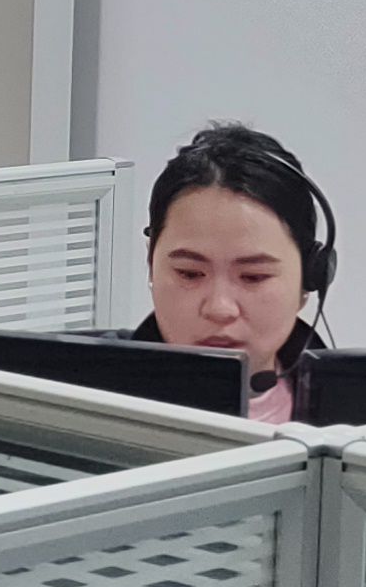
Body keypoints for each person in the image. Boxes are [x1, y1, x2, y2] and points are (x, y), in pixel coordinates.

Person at [132, 123, 334, 427]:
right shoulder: (81, 395)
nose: (219, 309)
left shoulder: (365, 416)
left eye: (253, 277)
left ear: (310, 277)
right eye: (189, 274)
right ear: (151, 263)